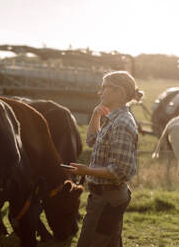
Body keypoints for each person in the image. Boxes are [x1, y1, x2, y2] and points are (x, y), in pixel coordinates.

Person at [64, 71, 143, 247]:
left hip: (107, 199)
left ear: (120, 92)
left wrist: (86, 171)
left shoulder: (122, 123)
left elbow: (119, 170)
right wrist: (95, 114)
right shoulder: (112, 119)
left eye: (104, 88)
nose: (100, 92)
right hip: (104, 198)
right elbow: (92, 140)